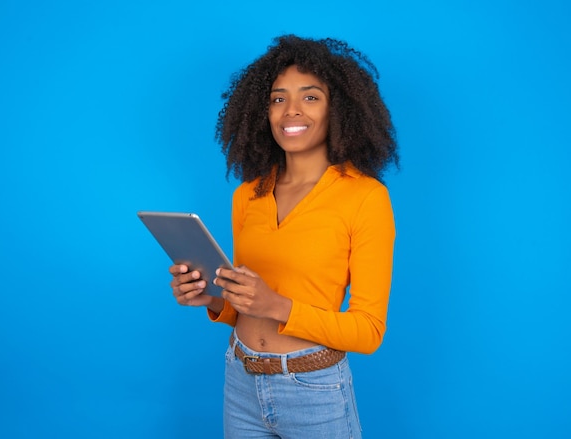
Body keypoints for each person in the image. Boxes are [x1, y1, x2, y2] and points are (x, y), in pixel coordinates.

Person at [169, 34, 399, 439]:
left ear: (338, 109)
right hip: (240, 380)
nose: (290, 111)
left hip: (314, 391)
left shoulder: (365, 197)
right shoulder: (248, 195)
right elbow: (244, 305)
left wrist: (279, 305)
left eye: (310, 97)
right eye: (278, 99)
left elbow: (368, 331)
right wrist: (211, 299)